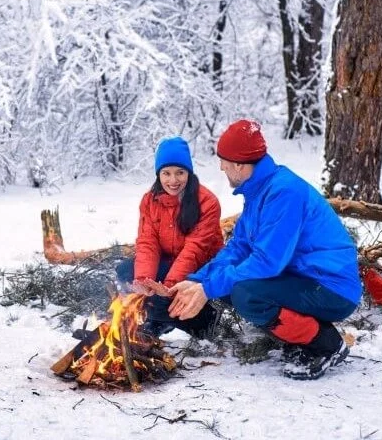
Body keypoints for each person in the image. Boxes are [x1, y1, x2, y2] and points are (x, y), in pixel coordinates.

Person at [167, 119, 361, 380]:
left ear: (239, 164)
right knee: (227, 286)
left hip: (331, 287)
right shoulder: (260, 190)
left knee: (246, 294)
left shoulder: (283, 192)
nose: (222, 167)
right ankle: (300, 335)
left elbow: (266, 262)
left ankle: (325, 344)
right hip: (303, 279)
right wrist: (197, 281)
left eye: (224, 162)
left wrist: (207, 289)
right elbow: (239, 247)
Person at [116, 136, 223, 338]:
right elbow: (148, 242)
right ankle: (160, 318)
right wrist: (144, 280)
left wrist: (169, 285)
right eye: (166, 173)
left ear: (189, 173)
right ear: (159, 174)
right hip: (170, 259)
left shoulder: (207, 202)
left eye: (180, 173)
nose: (173, 181)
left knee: (165, 294)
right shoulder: (150, 200)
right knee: (126, 271)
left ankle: (204, 320)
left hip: (202, 266)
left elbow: (195, 250)